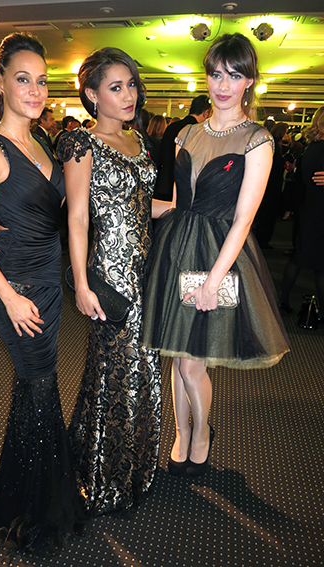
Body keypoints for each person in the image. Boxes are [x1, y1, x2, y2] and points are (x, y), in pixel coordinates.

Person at [0, 32, 88, 555]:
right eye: (23, 79)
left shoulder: (44, 144)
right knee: (39, 387)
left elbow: (70, 209)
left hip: (47, 283)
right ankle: (37, 505)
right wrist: (9, 297)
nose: (35, 91)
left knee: (34, 387)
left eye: (41, 81)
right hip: (14, 288)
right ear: (0, 84)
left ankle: (22, 491)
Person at [143, 33, 290, 478]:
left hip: (219, 255)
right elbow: (176, 202)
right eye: (215, 74)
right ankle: (181, 432)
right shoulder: (186, 133)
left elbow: (244, 219)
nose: (223, 85)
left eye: (234, 75)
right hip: (176, 248)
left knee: (192, 361)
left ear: (250, 81)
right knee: (178, 354)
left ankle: (202, 431)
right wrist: (125, 202)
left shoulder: (257, 140)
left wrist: (213, 282)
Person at [57, 47, 161, 516]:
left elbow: (141, 203)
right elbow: (78, 216)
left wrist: (187, 209)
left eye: (131, 84)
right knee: (115, 373)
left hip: (148, 272)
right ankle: (104, 474)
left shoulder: (139, 140)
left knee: (147, 369)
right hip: (112, 278)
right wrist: (81, 284)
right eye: (116, 87)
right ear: (92, 94)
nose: (128, 95)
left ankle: (136, 466)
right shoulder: (81, 143)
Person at [280, 106, 324, 320]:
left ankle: (283, 301)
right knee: (321, 265)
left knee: (298, 258)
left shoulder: (311, 148)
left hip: (308, 210)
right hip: (319, 211)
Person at [153, 95, 211, 201]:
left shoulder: (172, 127)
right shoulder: (199, 132)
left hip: (163, 184)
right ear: (205, 113)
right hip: (183, 189)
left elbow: (161, 156)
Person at [254, 122, 289, 249]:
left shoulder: (272, 144)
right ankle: (262, 240)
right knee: (267, 214)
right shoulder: (275, 146)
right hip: (271, 185)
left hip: (267, 185)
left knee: (264, 213)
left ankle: (261, 239)